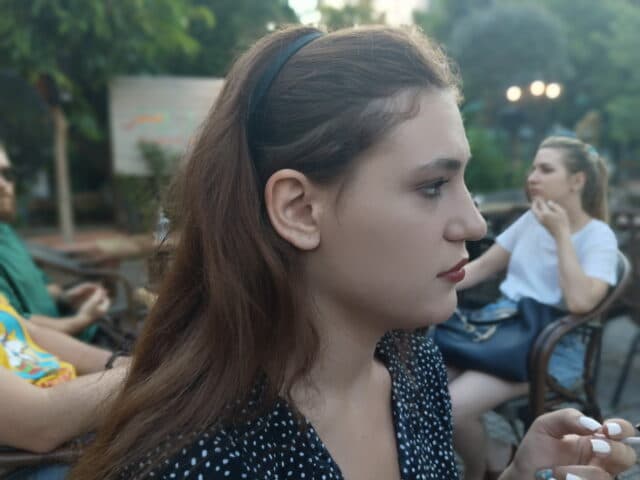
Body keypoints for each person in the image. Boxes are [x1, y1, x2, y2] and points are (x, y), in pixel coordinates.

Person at [71, 26, 637, 480]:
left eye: (463, 182)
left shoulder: (413, 370)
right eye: (433, 186)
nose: (473, 222)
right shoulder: (200, 459)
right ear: (299, 210)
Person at [446, 136, 619, 480]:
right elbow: (482, 268)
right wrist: (430, 283)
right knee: (422, 385)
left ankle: (478, 472)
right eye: (533, 167)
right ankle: (496, 454)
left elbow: (581, 302)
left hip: (550, 347)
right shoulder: (531, 220)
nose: (533, 176)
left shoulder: (598, 235)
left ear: (577, 180)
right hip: (501, 331)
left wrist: (561, 234)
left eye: (546, 169)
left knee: (449, 409)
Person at [0, 293, 128, 480]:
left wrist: (118, 362)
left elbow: (29, 331)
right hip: (29, 459)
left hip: (67, 420)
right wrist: (145, 372)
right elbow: (41, 422)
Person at [0, 143, 110, 340]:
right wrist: (79, 321)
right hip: (53, 351)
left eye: (6, 174)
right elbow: (14, 323)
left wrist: (66, 297)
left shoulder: (6, 232)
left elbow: (43, 286)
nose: (3, 184)